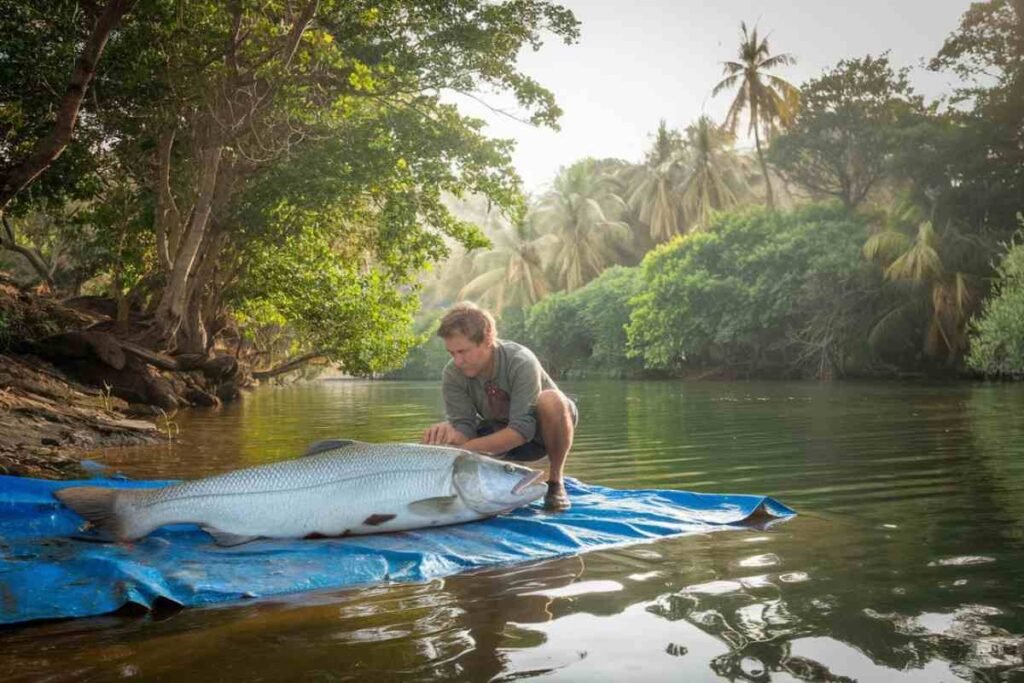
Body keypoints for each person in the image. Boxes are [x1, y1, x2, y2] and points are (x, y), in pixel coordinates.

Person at [421, 302, 578, 511]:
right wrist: (448, 436)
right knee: (444, 435)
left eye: (463, 351)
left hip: (541, 433)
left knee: (552, 399)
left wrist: (462, 451)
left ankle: (556, 481)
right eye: (452, 353)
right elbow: (465, 428)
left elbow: (522, 431)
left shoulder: (520, 360)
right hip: (496, 430)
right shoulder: (452, 374)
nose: (458, 361)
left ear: (487, 339)